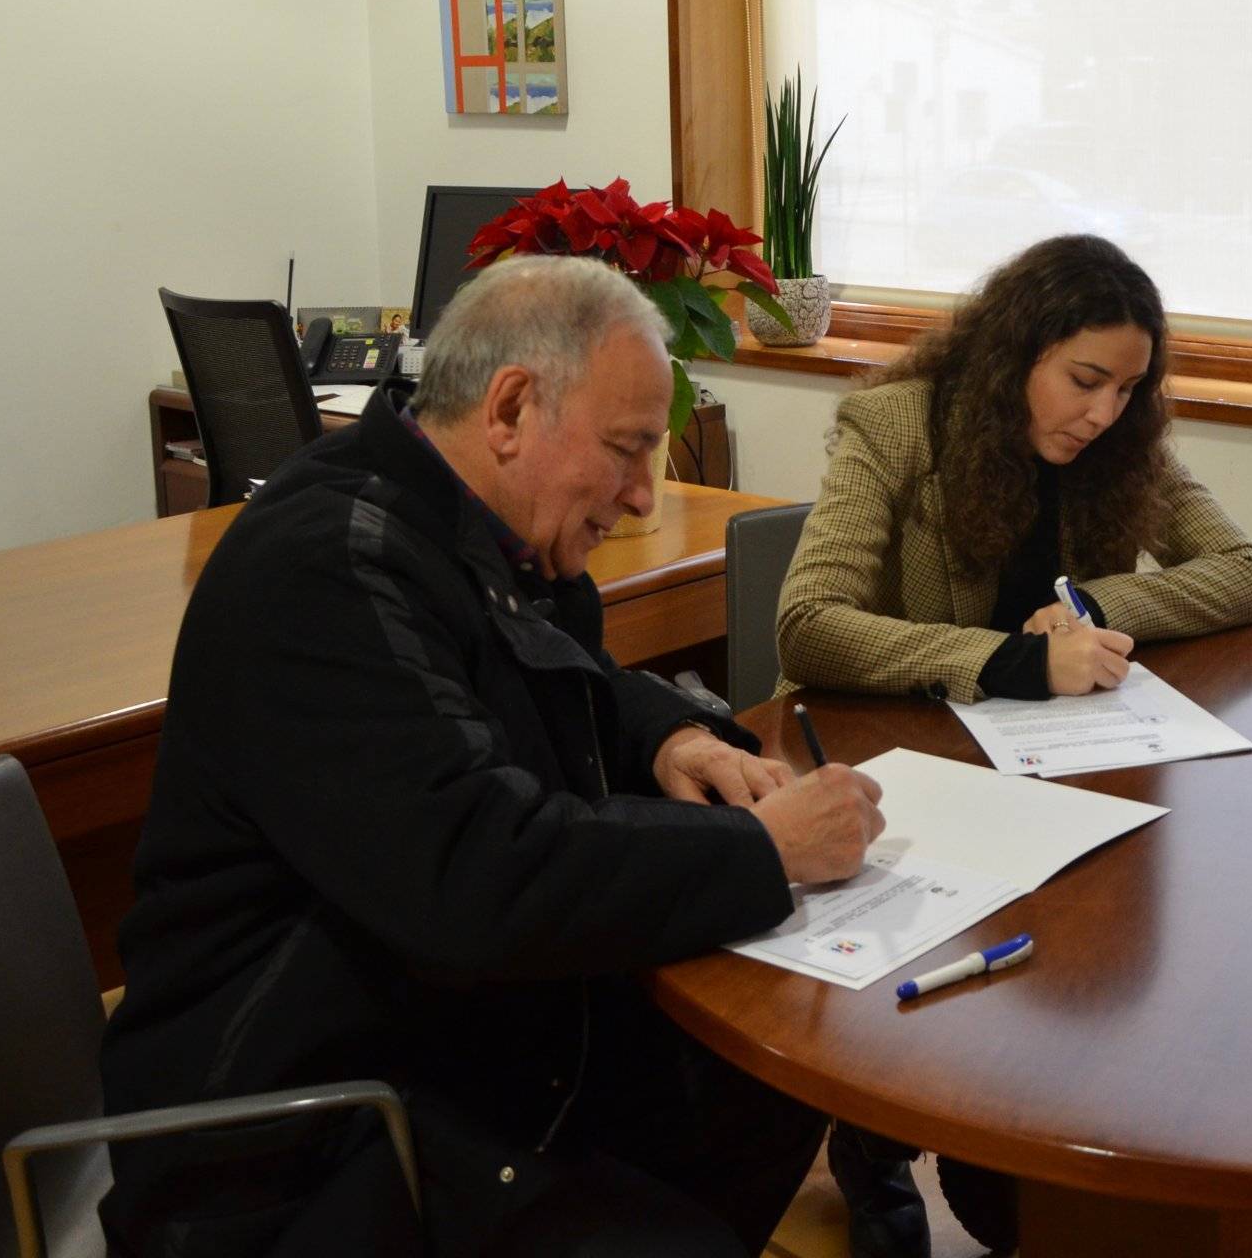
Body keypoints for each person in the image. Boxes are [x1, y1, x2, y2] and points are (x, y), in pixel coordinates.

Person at [100, 256, 887, 1258]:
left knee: (765, 1079)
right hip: (297, 1134)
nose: (645, 496)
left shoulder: (479, 532)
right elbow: (478, 873)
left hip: (444, 1043)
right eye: (627, 448)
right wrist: (760, 848)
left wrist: (670, 735)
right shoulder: (326, 569)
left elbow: (568, 675)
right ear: (511, 406)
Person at [774, 232, 1252, 1257]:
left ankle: (1023, 1164)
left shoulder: (1119, 445)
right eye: (1084, 380)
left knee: (1094, 978)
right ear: (1017, 354)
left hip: (1054, 773)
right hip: (901, 768)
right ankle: (875, 1134)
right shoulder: (895, 424)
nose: (1103, 413)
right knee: (980, 1001)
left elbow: (1242, 569)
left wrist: (1093, 601)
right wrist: (1007, 659)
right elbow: (808, 623)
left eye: (1127, 388)